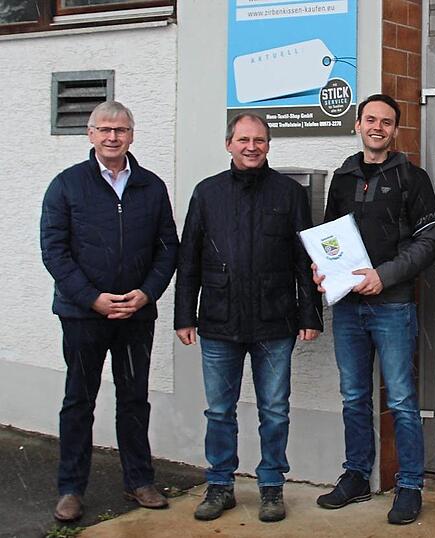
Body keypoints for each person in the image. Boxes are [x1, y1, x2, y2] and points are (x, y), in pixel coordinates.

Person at [174, 112, 322, 523]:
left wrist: (311, 315)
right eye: (243, 139)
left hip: (276, 322)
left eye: (259, 139)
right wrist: (184, 315)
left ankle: (271, 487)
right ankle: (220, 485)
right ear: (228, 145)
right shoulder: (207, 193)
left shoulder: (289, 194)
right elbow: (189, 260)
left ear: (269, 145)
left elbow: (303, 260)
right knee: (219, 410)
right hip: (219, 323)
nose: (251, 146)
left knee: (275, 409)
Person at [40, 101, 179, 522]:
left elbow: (167, 248)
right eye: (104, 130)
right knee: (78, 401)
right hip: (83, 315)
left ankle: (139, 479)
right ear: (90, 134)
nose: (112, 137)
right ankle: (70, 489)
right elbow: (54, 251)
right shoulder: (67, 185)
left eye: (120, 130)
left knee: (134, 399)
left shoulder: (151, 187)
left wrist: (147, 293)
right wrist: (91, 298)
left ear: (132, 135)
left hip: (136, 314)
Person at [313, 94, 435, 525]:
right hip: (348, 308)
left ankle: (409, 485)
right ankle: (355, 475)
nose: (378, 127)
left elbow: (429, 242)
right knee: (353, 396)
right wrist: (321, 268)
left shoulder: (412, 178)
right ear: (358, 124)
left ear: (395, 130)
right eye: (371, 119)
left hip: (392, 305)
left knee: (402, 399)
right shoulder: (343, 177)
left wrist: (384, 276)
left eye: (386, 122)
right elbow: (329, 237)